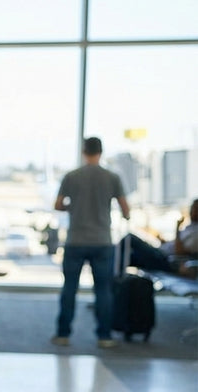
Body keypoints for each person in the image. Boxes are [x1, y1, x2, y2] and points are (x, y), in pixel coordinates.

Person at [52, 136, 130, 348]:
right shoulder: (112, 177)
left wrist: (74, 208)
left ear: (83, 152)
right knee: (103, 290)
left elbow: (58, 205)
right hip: (102, 241)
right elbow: (126, 210)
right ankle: (104, 336)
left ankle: (63, 334)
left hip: (75, 240)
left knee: (69, 288)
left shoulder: (71, 176)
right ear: (101, 152)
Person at [120, 198, 198, 277]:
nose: (191, 212)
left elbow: (179, 252)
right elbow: (174, 245)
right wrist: (161, 239)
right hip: (160, 252)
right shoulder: (190, 228)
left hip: (166, 260)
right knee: (127, 256)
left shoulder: (196, 233)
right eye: (191, 208)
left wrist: (177, 228)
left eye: (194, 209)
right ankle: (115, 280)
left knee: (129, 238)